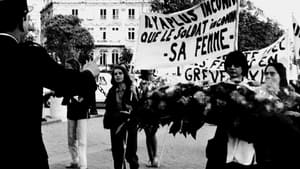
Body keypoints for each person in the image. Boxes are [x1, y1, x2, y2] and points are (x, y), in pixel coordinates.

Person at [1, 0, 100, 168]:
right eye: (27, 18)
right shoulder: (30, 55)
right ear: (20, 21)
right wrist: (90, 72)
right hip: (25, 154)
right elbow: (66, 82)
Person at [205, 51, 259, 169]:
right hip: (223, 141)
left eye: (236, 65)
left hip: (245, 145)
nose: (232, 68)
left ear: (243, 67)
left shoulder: (253, 89)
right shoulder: (218, 88)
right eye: (229, 65)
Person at [103, 65, 140, 169]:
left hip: (130, 123)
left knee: (131, 153)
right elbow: (109, 109)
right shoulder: (112, 91)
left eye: (120, 73)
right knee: (117, 153)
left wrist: (135, 94)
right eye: (115, 74)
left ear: (124, 74)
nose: (118, 76)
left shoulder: (131, 88)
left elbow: (138, 107)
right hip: (116, 123)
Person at [62, 59, 91, 169]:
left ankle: (83, 164)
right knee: (70, 138)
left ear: (74, 67)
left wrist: (82, 98)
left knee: (81, 139)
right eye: (66, 67)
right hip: (71, 112)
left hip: (82, 112)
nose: (66, 69)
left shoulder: (82, 78)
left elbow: (89, 93)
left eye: (68, 67)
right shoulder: (67, 80)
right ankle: (75, 160)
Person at [139, 70, 159, 168]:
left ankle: (154, 158)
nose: (151, 75)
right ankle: (152, 158)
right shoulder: (143, 83)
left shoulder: (154, 82)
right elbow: (142, 96)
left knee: (151, 134)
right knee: (150, 134)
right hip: (146, 111)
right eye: (150, 73)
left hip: (152, 111)